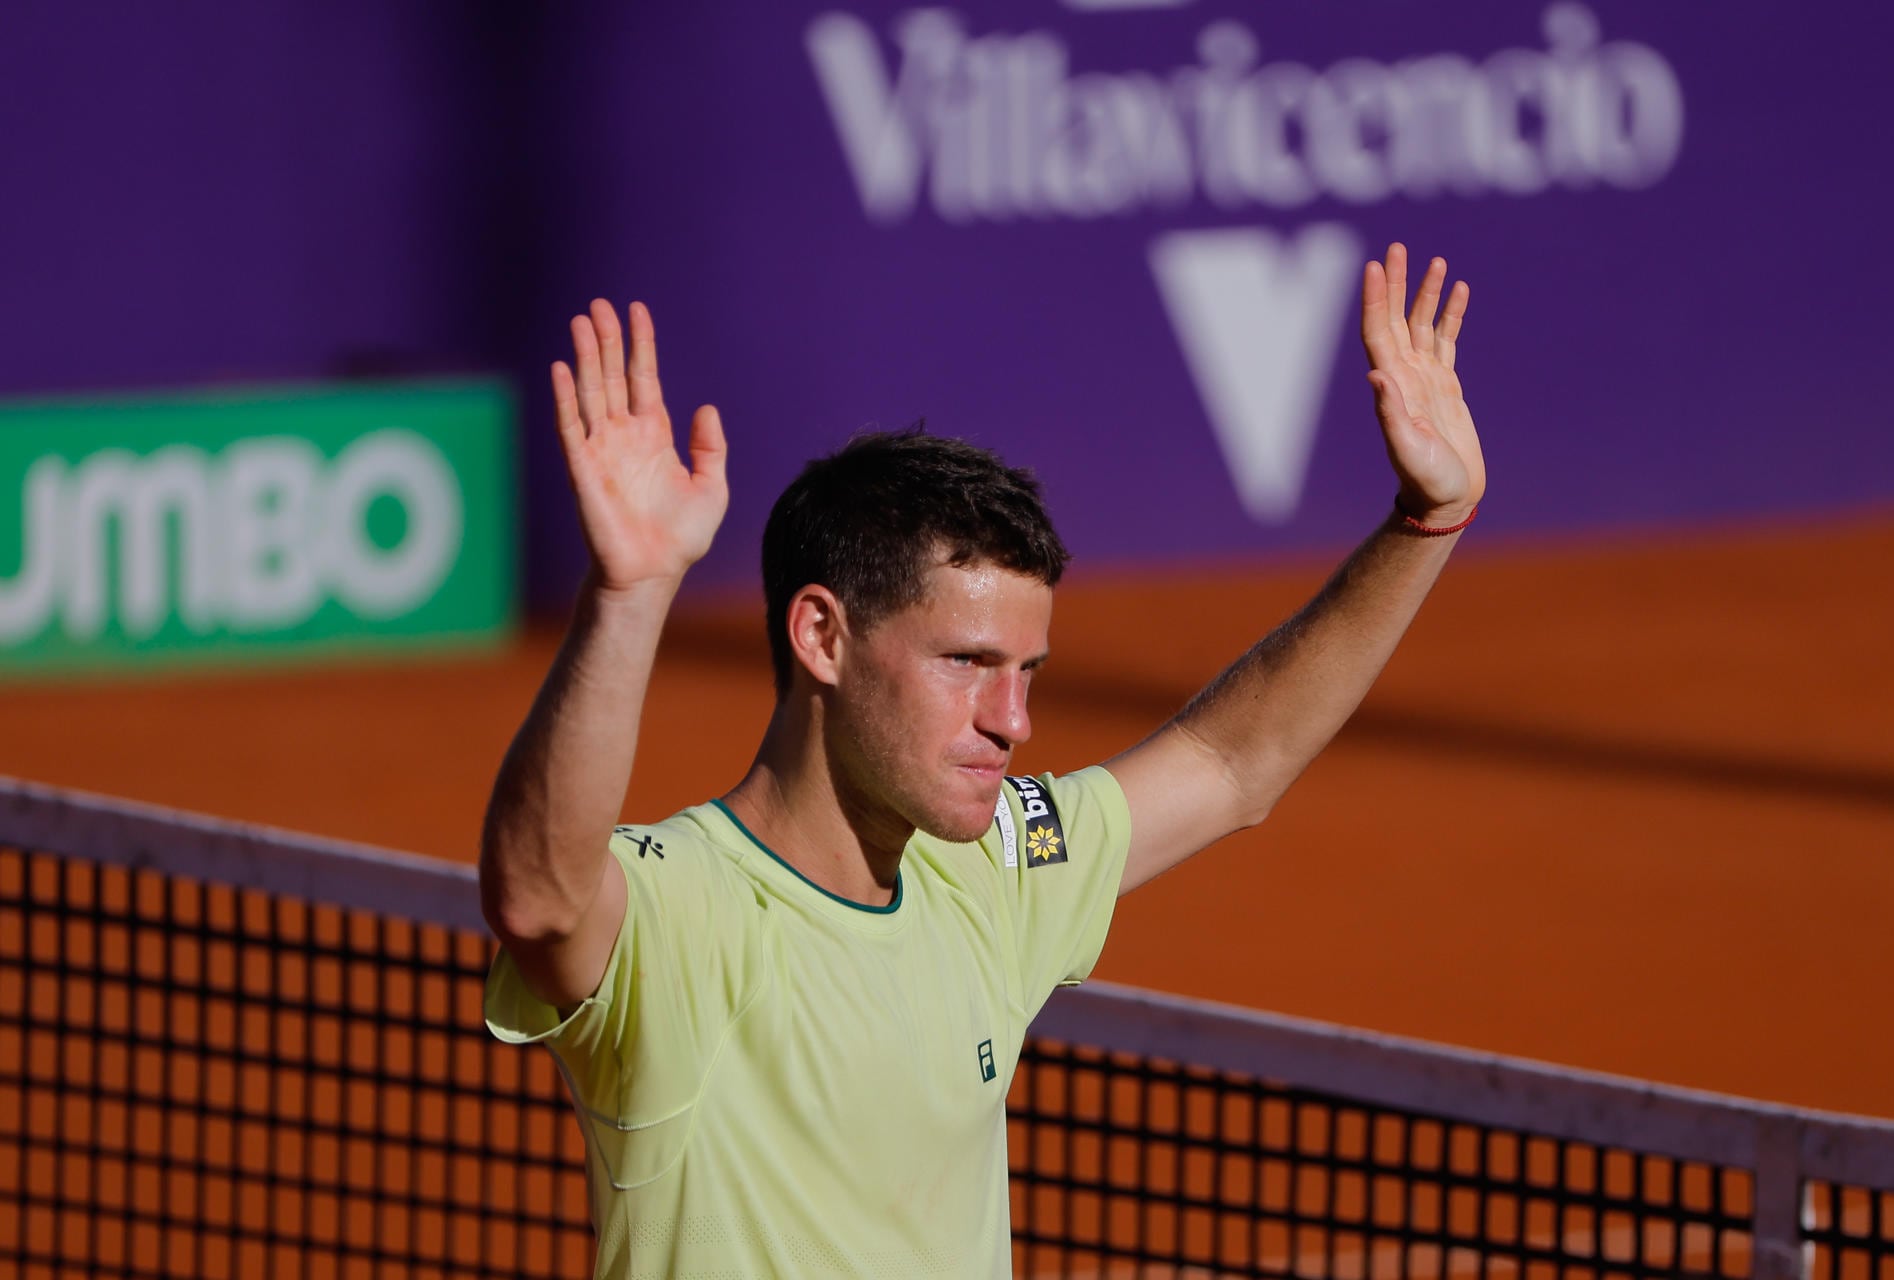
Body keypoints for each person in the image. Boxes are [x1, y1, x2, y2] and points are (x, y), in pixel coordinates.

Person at [479, 243, 1484, 1277]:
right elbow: (541, 900)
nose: (1014, 721)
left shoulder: (992, 869)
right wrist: (631, 593)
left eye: (1026, 670)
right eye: (966, 662)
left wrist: (1427, 520)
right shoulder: (689, 912)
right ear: (821, 637)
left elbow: (1233, 761)